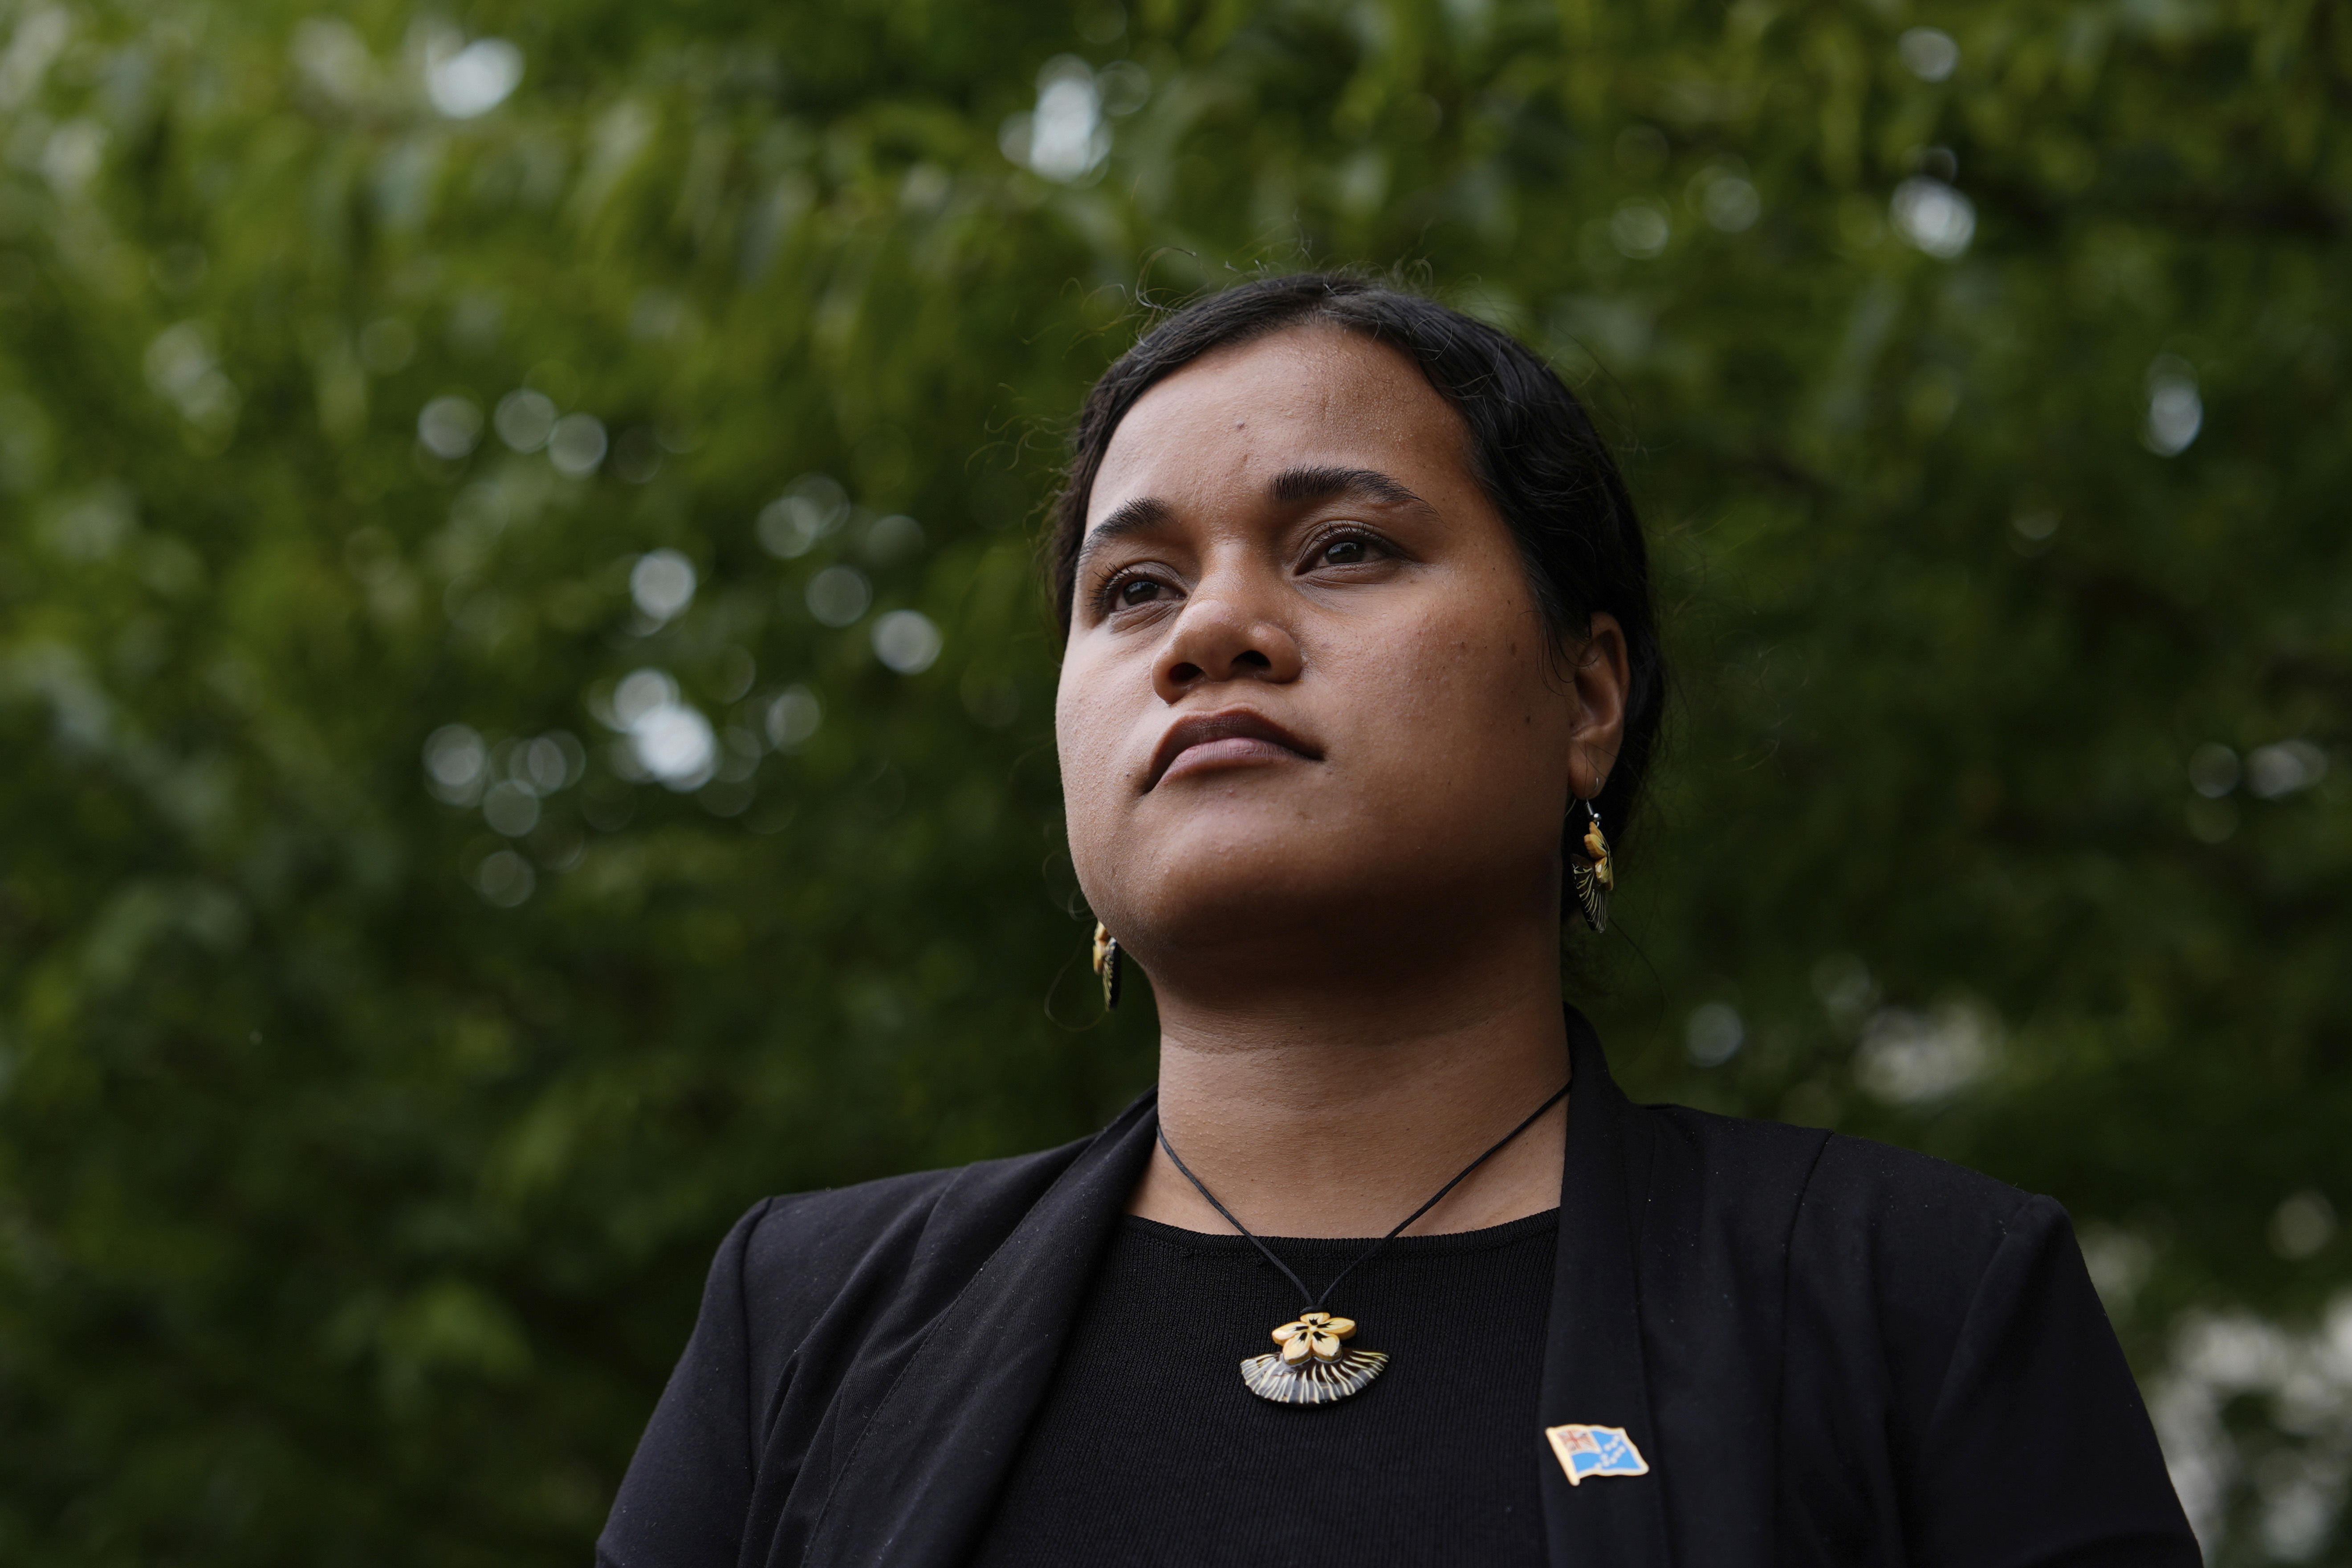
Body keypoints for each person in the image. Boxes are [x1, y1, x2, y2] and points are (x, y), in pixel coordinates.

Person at [597, 273, 2197, 1567]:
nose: (1210, 627)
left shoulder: (1915, 1294)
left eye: (1342, 547)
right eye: (1132, 589)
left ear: (1586, 693)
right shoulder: (814, 1314)